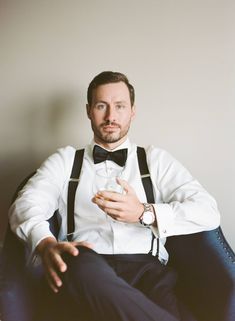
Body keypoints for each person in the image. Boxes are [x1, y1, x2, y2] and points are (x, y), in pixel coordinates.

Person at [9, 71, 220, 321]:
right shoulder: (65, 161)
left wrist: (144, 213)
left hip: (148, 276)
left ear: (132, 111)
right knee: (77, 261)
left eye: (119, 106)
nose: (111, 116)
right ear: (89, 110)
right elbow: (25, 203)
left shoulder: (156, 161)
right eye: (101, 106)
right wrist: (45, 244)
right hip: (85, 271)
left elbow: (208, 211)